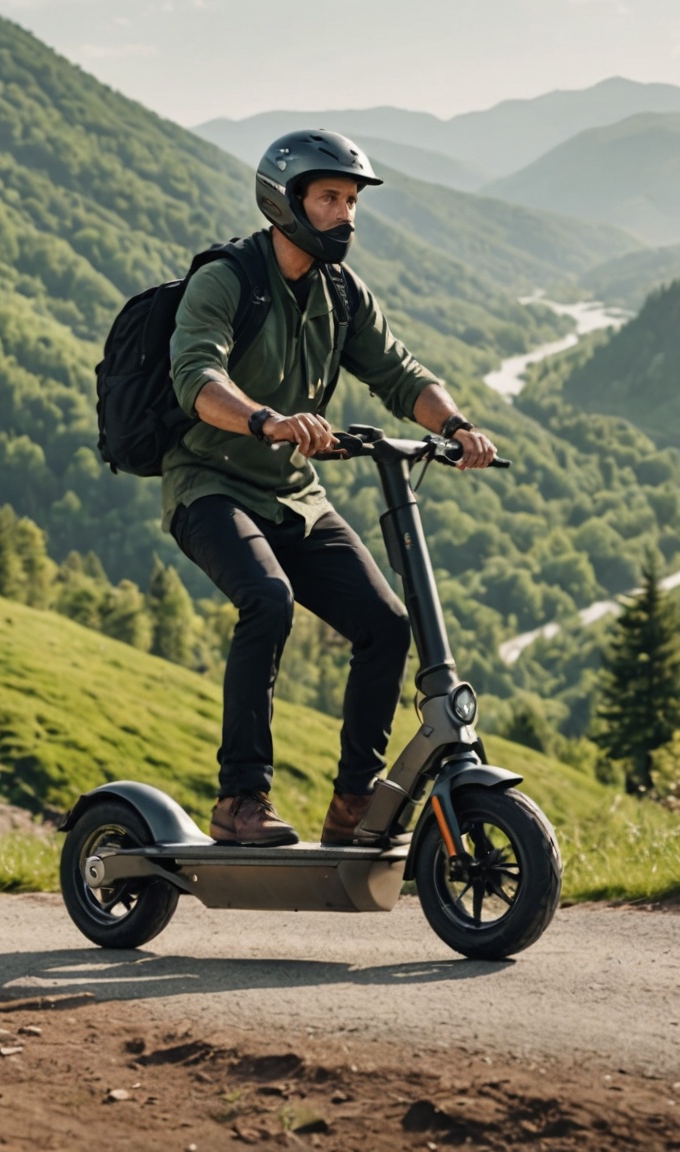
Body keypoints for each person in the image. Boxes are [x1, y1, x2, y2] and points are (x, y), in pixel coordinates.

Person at [166, 129, 497, 847]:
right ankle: (240, 799)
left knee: (387, 625)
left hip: (296, 496)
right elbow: (196, 378)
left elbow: (401, 374)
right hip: (211, 488)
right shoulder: (227, 279)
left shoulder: (341, 293)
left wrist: (459, 426)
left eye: (351, 201)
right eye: (329, 198)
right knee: (267, 600)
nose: (345, 214)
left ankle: (354, 807)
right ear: (286, 202)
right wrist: (267, 421)